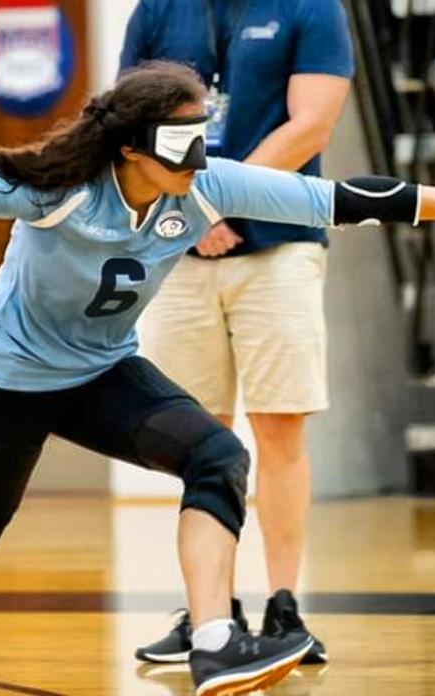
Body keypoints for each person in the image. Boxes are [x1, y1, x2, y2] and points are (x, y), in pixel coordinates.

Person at [0, 62, 435, 696]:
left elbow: (339, 199)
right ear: (129, 148)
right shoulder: (55, 189)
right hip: (6, 380)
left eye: (201, 136)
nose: (197, 156)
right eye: (179, 142)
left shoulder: (208, 186)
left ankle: (212, 641)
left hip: (101, 373)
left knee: (218, 456)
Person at [120, 0, 354, 664]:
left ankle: (285, 608)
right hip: (179, 254)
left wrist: (218, 196)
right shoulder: (157, 11)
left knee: (280, 427)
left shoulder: (311, 8)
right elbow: (125, 125)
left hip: (280, 249)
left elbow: (312, 124)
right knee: (196, 435)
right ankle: (209, 615)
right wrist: (190, 210)